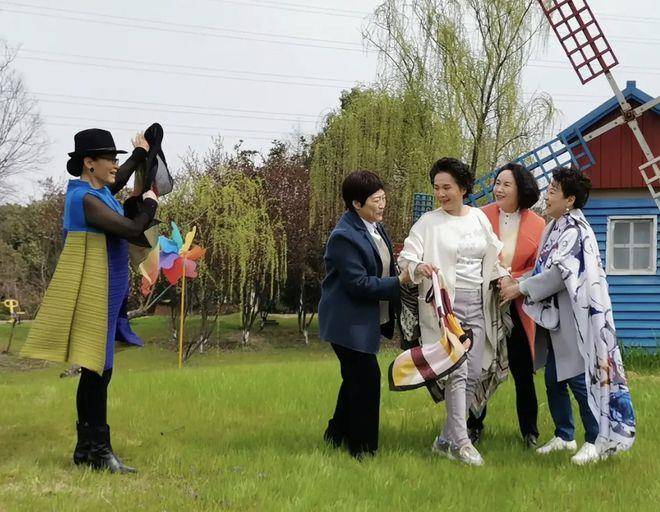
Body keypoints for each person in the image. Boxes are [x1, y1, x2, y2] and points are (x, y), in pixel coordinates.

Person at [20, 128, 159, 473]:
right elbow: (129, 229)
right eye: (109, 159)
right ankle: (98, 451)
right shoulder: (84, 200)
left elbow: (121, 178)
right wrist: (151, 203)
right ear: (89, 163)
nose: (115, 165)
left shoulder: (98, 191)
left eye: (115, 158)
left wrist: (141, 153)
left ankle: (87, 449)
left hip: (107, 292)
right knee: (97, 370)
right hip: (93, 293)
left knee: (97, 371)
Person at [500, 167, 636, 464]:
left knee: (577, 376)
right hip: (556, 316)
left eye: (553, 191)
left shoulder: (575, 230)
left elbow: (559, 274)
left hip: (577, 315)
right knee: (553, 377)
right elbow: (543, 267)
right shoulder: (555, 225)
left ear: (570, 199)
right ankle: (564, 435)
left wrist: (519, 288)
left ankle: (595, 438)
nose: (547, 195)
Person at [398, 157, 508, 466]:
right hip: (447, 308)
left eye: (447, 187)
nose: (441, 194)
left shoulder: (479, 219)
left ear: (463, 188)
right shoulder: (428, 223)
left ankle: (445, 439)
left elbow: (494, 256)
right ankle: (462, 443)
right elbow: (405, 262)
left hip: (480, 303)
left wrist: (504, 277)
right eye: (437, 188)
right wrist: (418, 266)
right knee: (457, 372)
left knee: (474, 372)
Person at [319, 170, 407, 460]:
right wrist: (401, 282)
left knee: (354, 380)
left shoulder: (375, 226)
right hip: (347, 323)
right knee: (367, 381)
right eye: (375, 200)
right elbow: (358, 284)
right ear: (356, 204)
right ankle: (363, 449)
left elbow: (383, 266)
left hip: (364, 320)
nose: (382, 205)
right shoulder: (344, 236)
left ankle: (335, 435)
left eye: (383, 198)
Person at [466, 163, 545, 448]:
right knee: (481, 365)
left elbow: (540, 266)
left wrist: (515, 283)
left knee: (523, 370)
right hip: (485, 302)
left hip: (518, 304)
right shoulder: (480, 216)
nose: (498, 189)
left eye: (505, 184)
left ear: (521, 189)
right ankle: (473, 425)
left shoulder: (538, 223)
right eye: (497, 183)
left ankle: (530, 432)